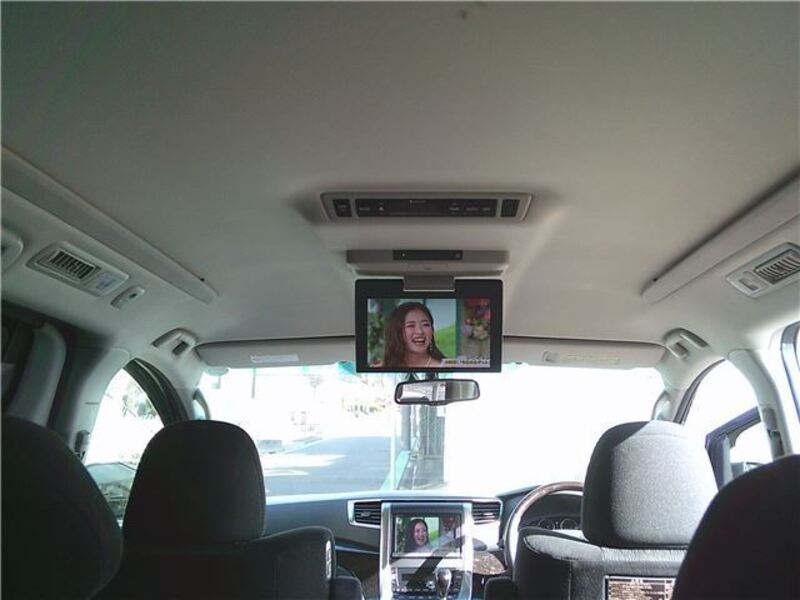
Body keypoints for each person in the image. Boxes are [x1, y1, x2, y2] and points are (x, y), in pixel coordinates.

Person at [382, 302, 446, 369]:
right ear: (397, 331)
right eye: (411, 325)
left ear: (432, 330)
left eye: (425, 325)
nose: (420, 331)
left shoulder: (445, 367)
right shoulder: (382, 367)